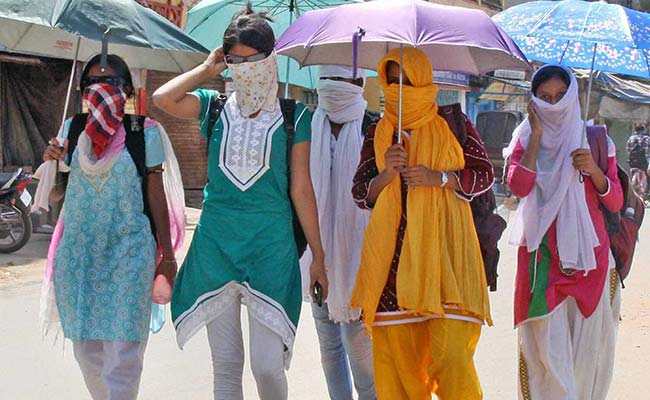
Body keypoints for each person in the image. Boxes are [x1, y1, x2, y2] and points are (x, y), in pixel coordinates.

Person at [152, 5, 327, 400]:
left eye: (254, 60)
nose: (245, 69)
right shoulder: (212, 107)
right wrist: (207, 69)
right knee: (226, 366)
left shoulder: (293, 116)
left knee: (267, 367)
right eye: (236, 61)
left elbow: (301, 189)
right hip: (216, 245)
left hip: (271, 247)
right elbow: (163, 98)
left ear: (272, 59)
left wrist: (318, 256)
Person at [38, 53, 185, 400]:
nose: (101, 90)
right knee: (87, 351)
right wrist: (54, 163)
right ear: (82, 91)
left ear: (128, 91)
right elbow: (60, 193)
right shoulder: (71, 130)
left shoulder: (143, 132)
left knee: (123, 353)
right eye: (92, 84)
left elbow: (155, 190)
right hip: (80, 256)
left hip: (129, 254)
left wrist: (165, 254)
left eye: (112, 83)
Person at [350, 47, 494, 400]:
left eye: (408, 80)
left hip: (446, 262)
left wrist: (440, 178)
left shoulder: (453, 123)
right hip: (393, 270)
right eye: (392, 80)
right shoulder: (379, 132)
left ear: (424, 81)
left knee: (452, 359)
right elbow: (360, 194)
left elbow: (484, 175)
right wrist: (387, 173)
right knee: (399, 370)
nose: (400, 88)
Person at [504, 65, 623, 400]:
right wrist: (538, 135)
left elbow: (614, 200)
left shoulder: (597, 141)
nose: (553, 104)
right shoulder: (525, 138)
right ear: (533, 101)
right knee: (547, 358)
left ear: (572, 98)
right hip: (542, 262)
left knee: (587, 361)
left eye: (559, 97)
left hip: (592, 264)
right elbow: (519, 185)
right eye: (545, 98)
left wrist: (595, 171)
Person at [299, 65, 376, 400]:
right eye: (328, 80)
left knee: (357, 345)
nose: (333, 87)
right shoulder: (306, 126)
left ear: (359, 84)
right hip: (318, 250)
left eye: (341, 80)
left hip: (359, 253)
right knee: (328, 345)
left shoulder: (374, 127)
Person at [626, 121, 650, 199]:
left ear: (635, 130)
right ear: (643, 130)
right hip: (644, 163)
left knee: (632, 175)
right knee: (647, 177)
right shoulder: (647, 139)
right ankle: (646, 193)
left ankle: (632, 192)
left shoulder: (631, 138)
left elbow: (628, 150)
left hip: (633, 163)